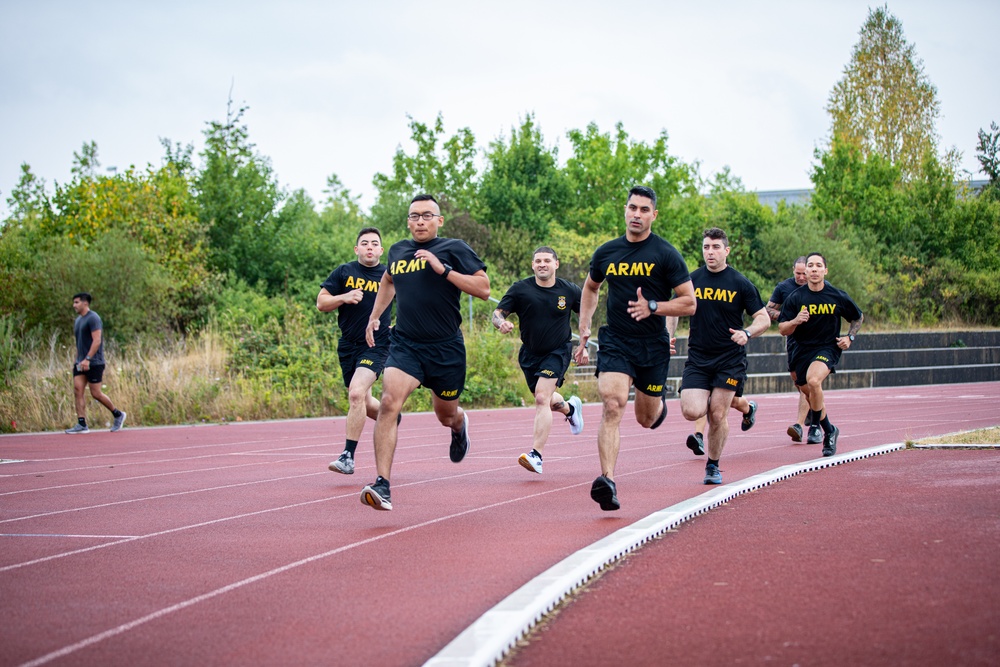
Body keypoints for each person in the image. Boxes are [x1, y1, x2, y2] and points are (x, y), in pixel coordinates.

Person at [359, 194, 490, 510]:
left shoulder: (453, 248)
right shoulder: (398, 251)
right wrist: (376, 316)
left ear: (439, 220)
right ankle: (383, 485)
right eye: (414, 216)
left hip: (446, 350)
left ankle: (459, 427)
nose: (420, 221)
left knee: (445, 415)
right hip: (406, 345)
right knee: (389, 401)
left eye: (427, 215)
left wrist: (443, 270)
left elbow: (483, 289)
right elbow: (388, 280)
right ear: (408, 221)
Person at [573, 185, 696, 511]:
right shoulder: (607, 252)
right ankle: (607, 481)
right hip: (616, 340)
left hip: (652, 345)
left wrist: (654, 306)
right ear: (625, 211)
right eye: (632, 208)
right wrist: (584, 326)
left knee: (646, 417)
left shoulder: (666, 254)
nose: (637, 214)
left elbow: (689, 303)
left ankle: (658, 405)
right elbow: (591, 287)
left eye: (644, 210)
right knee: (612, 403)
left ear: (654, 215)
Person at [672, 228, 770, 485]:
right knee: (691, 411)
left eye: (716, 247)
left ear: (726, 250)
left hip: (729, 358)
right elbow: (672, 309)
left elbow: (764, 317)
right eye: (706, 247)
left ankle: (713, 466)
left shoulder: (740, 282)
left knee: (717, 414)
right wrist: (667, 335)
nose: (710, 252)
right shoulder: (691, 281)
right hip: (698, 357)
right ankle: (746, 406)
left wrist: (747, 333)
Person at [493, 246, 585, 474]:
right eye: (538, 261)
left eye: (546, 260)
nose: (542, 264)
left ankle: (536, 455)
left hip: (558, 350)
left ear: (556, 264)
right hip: (530, 354)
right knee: (546, 400)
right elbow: (497, 313)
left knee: (541, 397)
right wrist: (500, 323)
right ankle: (570, 409)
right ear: (533, 265)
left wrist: (584, 343)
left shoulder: (569, 290)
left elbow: (587, 314)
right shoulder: (520, 289)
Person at [317, 227, 394, 475]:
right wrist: (344, 297)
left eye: (374, 243)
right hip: (348, 345)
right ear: (357, 248)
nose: (369, 247)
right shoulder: (344, 272)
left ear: (381, 250)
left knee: (356, 393)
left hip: (377, 344)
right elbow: (321, 303)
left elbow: (412, 303)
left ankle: (348, 456)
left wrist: (399, 325)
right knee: (361, 398)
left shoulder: (389, 275)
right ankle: (390, 416)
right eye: (365, 243)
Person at [778, 252, 863, 457]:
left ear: (825, 270)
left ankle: (817, 427)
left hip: (827, 347)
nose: (814, 269)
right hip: (801, 349)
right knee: (808, 392)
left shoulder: (836, 296)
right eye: (810, 266)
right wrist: (796, 320)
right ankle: (830, 429)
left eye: (818, 266)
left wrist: (849, 337)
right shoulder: (795, 298)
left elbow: (857, 317)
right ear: (804, 271)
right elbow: (782, 329)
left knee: (814, 381)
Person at [767, 257, 821, 444]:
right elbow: (768, 310)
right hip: (793, 340)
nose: (800, 277)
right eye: (797, 273)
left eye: (803, 273)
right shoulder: (784, 288)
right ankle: (815, 411)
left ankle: (802, 425)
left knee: (809, 380)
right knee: (800, 383)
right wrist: (787, 316)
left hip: (816, 342)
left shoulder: (820, 287)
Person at [64, 293, 126, 434]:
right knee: (78, 389)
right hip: (80, 362)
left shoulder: (93, 318)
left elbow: (97, 340)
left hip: (94, 362)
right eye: (74, 302)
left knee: (96, 393)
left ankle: (118, 414)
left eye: (76, 302)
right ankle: (82, 424)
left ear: (85, 303)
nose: (74, 305)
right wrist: (77, 360)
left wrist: (88, 359)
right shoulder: (78, 320)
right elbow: (79, 343)